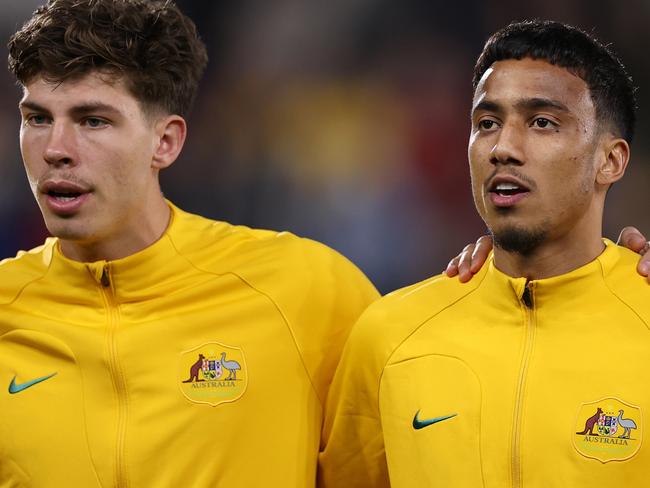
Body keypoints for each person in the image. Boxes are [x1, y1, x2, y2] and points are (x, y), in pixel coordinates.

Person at [318, 20, 650, 487]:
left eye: (542, 122)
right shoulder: (390, 337)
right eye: (487, 123)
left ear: (610, 160)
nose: (503, 148)